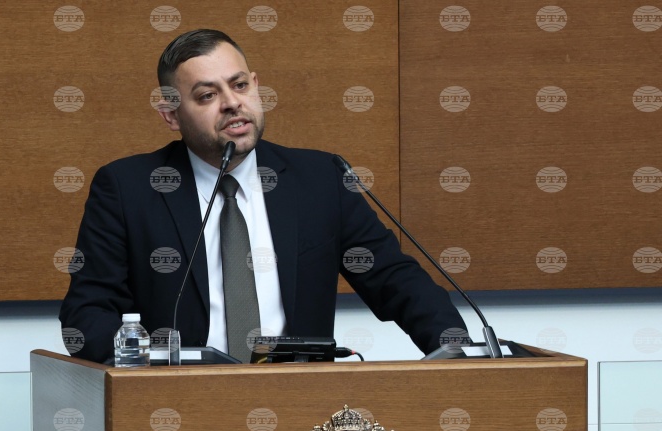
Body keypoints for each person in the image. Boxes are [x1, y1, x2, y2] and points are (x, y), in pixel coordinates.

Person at [59, 29, 467, 364]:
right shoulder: (128, 188)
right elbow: (88, 311)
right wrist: (144, 369)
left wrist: (459, 352)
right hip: (177, 402)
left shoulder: (320, 178)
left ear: (255, 86)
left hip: (301, 404)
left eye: (239, 85)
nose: (232, 103)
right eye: (207, 95)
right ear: (171, 114)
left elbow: (396, 280)